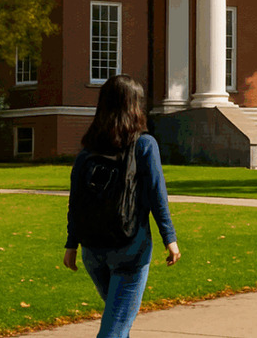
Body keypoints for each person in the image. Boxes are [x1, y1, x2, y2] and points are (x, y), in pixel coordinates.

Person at [64, 74, 181, 338]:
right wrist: (169, 238)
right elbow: (156, 195)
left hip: (92, 251)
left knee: (118, 323)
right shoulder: (144, 145)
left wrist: (72, 244)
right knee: (113, 331)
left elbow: (76, 201)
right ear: (134, 106)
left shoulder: (87, 151)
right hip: (131, 250)